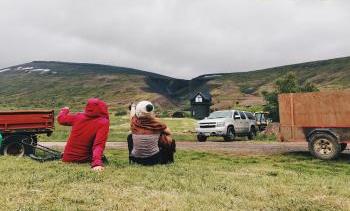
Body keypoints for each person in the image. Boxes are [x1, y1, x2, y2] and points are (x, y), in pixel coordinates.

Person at [57, 98, 110, 171]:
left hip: (67, 159)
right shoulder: (103, 122)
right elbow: (98, 145)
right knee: (103, 157)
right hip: (84, 159)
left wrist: (64, 110)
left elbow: (61, 119)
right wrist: (97, 163)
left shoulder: (78, 117)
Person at [128, 101, 176, 165]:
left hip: (136, 160)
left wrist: (133, 107)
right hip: (153, 160)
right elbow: (169, 132)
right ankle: (169, 161)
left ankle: (131, 158)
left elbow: (132, 116)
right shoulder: (157, 124)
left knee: (130, 136)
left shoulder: (134, 123)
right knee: (167, 138)